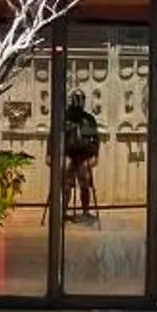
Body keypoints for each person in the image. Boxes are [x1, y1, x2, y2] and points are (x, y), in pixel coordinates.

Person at [63, 90, 102, 221]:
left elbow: (95, 139)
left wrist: (95, 156)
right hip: (68, 155)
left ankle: (85, 211)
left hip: (84, 156)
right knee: (66, 184)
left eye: (80, 99)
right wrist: (50, 154)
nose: (78, 102)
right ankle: (63, 210)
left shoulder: (88, 120)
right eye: (75, 99)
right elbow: (54, 137)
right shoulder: (64, 118)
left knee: (84, 183)